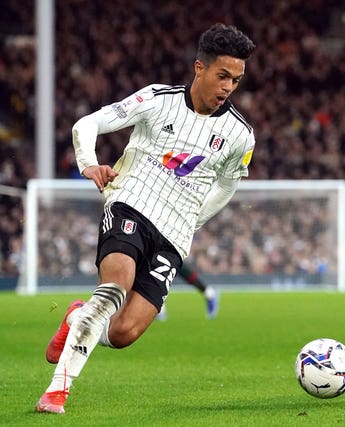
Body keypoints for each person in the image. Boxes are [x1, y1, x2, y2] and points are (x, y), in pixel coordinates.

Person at [35, 23, 256, 413]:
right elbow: (87, 124)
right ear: (199, 68)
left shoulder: (240, 134)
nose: (228, 88)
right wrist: (88, 164)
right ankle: (57, 391)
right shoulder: (157, 100)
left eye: (236, 80)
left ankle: (75, 317)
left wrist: (194, 219)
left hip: (173, 235)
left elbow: (227, 186)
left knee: (123, 333)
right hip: (130, 206)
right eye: (222, 76)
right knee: (113, 287)